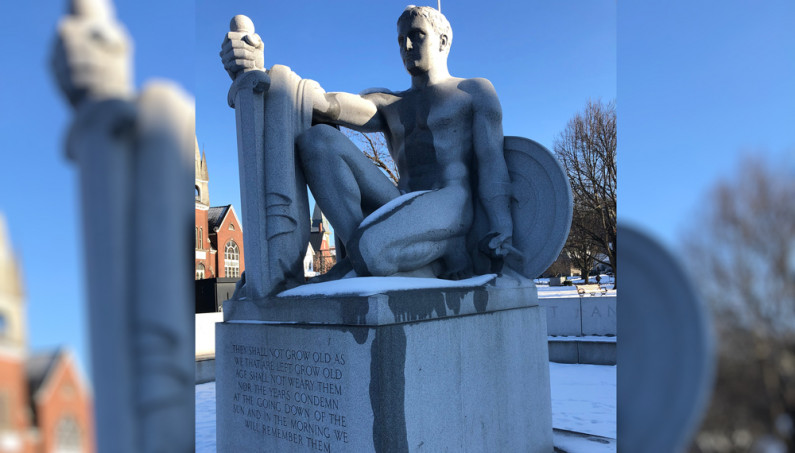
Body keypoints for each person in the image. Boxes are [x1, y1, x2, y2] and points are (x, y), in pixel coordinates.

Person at [221, 5, 513, 280]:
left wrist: (502, 224)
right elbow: (324, 102)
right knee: (318, 140)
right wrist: (262, 72)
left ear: (443, 41)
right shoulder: (390, 103)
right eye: (401, 40)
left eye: (416, 35)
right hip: (401, 200)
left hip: (451, 201)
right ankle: (363, 256)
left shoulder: (473, 91)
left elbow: (491, 163)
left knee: (373, 249)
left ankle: (431, 249)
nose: (407, 47)